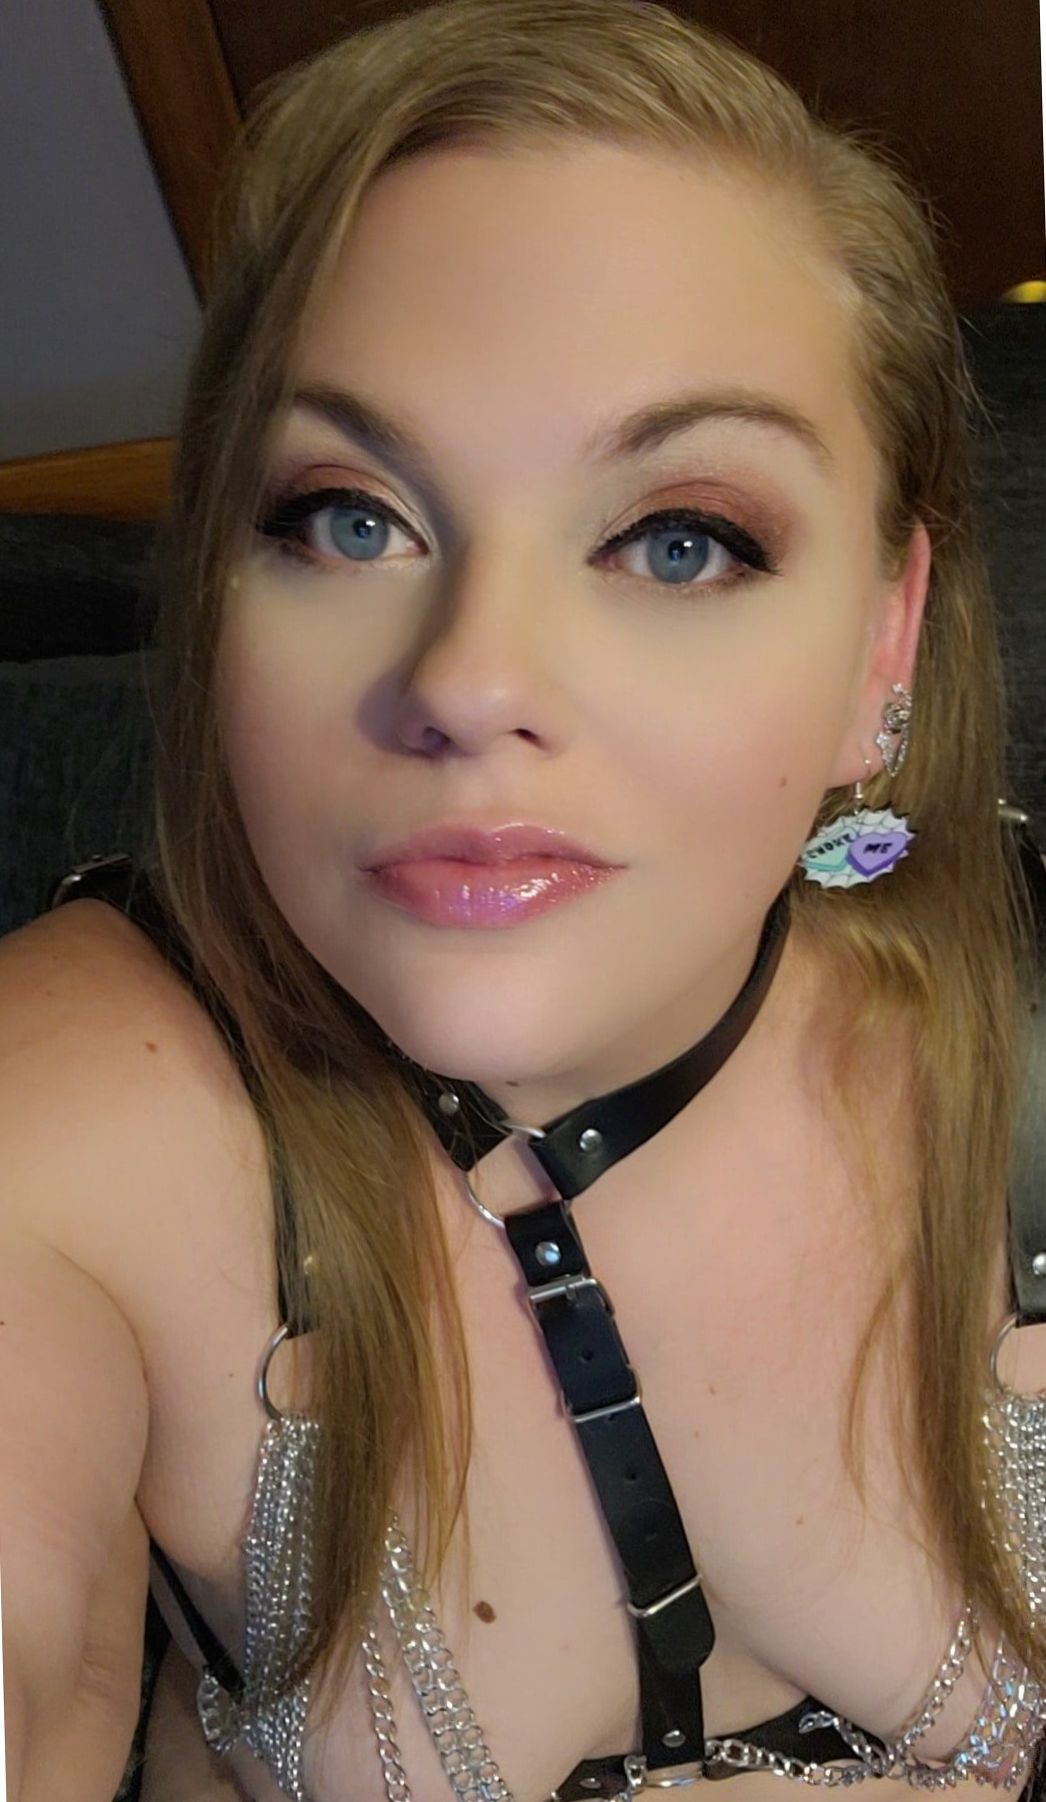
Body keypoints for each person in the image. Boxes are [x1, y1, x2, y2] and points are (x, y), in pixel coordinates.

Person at [3, 1, 1046, 1798]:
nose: (469, 680)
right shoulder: (70, 1115)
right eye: (348, 516)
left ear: (884, 640)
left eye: (677, 540)